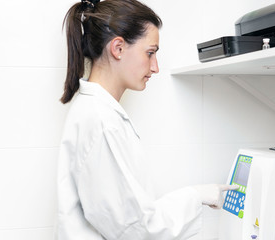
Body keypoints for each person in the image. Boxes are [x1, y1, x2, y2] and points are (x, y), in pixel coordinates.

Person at [56, 0, 238, 239]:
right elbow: (135, 229)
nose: (155, 67)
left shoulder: (98, 112)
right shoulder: (101, 121)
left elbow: (128, 216)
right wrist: (195, 195)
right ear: (118, 48)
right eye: (150, 53)